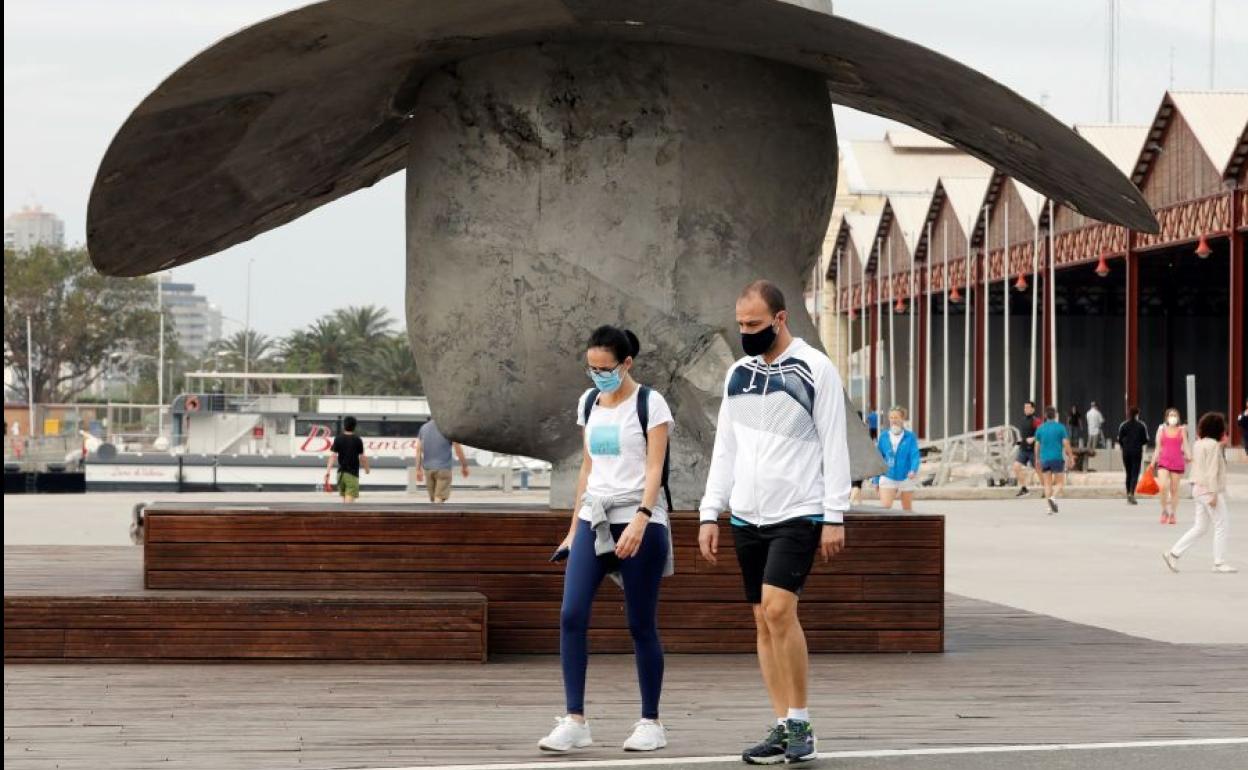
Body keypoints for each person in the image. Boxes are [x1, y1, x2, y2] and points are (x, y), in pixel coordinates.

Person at [698, 280, 849, 766]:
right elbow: (726, 447)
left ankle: (802, 722)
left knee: (781, 610)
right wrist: (709, 511)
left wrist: (834, 515)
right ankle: (783, 724)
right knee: (762, 619)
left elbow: (834, 442)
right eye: (741, 324)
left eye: (754, 325)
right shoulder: (737, 374)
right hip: (745, 514)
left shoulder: (814, 368)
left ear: (780, 319)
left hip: (798, 511)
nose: (745, 333)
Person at [538, 326, 675, 754]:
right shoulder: (589, 402)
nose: (597, 375)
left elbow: (654, 470)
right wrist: (572, 526)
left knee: (640, 623)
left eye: (605, 368)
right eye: (591, 368)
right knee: (571, 614)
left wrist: (641, 518)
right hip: (593, 517)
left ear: (626, 363)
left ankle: (651, 721)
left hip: (639, 519)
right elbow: (587, 467)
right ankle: (575, 719)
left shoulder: (650, 404)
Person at [1163, 412, 1236, 574]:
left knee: (1200, 526)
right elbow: (1212, 471)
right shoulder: (1213, 446)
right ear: (1218, 429)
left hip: (1196, 488)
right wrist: (1213, 494)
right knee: (1222, 524)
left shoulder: (1199, 444)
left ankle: (1173, 553)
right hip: (1208, 489)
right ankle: (1219, 562)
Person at [874, 406, 921, 511]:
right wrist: (876, 480)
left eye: (896, 417)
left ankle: (907, 527)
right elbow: (878, 458)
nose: (893, 420)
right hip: (887, 476)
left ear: (902, 419)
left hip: (906, 477)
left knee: (907, 509)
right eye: (891, 418)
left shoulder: (910, 437)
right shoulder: (883, 436)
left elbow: (915, 455)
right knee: (885, 508)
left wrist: (913, 470)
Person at [1151, 407, 1191, 526]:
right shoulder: (1161, 429)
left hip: (1177, 461)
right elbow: (1157, 448)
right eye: (1170, 415)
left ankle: (1173, 513)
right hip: (1163, 461)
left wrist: (1190, 457)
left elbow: (1186, 446)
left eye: (1175, 415)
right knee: (1163, 487)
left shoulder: (1182, 430)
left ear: (1178, 418)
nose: (1173, 417)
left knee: (1174, 490)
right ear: (1167, 417)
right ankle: (1164, 511)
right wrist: (1153, 463)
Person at [414, 419, 470, 503]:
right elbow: (458, 449)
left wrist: (418, 469)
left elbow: (418, 450)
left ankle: (434, 514)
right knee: (439, 498)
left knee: (433, 500)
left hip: (428, 470)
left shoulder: (424, 428)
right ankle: (437, 514)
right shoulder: (448, 428)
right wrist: (464, 466)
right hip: (444, 469)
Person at [1035, 406, 1072, 514]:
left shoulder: (1040, 428)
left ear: (1045, 416)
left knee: (1047, 484)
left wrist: (1037, 459)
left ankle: (1049, 508)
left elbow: (1037, 445)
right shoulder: (1060, 427)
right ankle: (1053, 497)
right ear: (1055, 415)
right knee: (1060, 483)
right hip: (1056, 458)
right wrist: (1070, 456)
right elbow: (1065, 443)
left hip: (1044, 459)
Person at [323, 415, 369, 502]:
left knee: (345, 503)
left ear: (344, 426)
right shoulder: (357, 440)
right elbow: (363, 457)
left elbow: (333, 456)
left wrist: (328, 472)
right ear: (355, 426)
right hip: (351, 475)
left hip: (340, 475)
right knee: (349, 507)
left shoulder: (338, 438)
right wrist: (367, 470)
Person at [1116, 406, 1150, 505]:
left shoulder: (1123, 425)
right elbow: (1145, 439)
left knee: (1128, 473)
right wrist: (1138, 443)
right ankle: (1131, 493)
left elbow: (1119, 439)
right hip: (1136, 452)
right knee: (1135, 473)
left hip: (1126, 452)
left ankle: (1128, 494)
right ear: (1137, 414)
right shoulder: (1141, 425)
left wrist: (1125, 446)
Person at [1012, 401, 1039, 497]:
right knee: (1015, 467)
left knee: (1039, 470)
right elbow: (1023, 436)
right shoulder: (1023, 420)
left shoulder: (1036, 420)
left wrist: (1034, 438)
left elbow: (1041, 433)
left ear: (1033, 409)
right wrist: (1018, 442)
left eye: (1028, 407)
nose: (1026, 409)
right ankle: (1024, 488)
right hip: (1023, 449)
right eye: (1025, 407)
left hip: (1034, 450)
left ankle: (1047, 489)